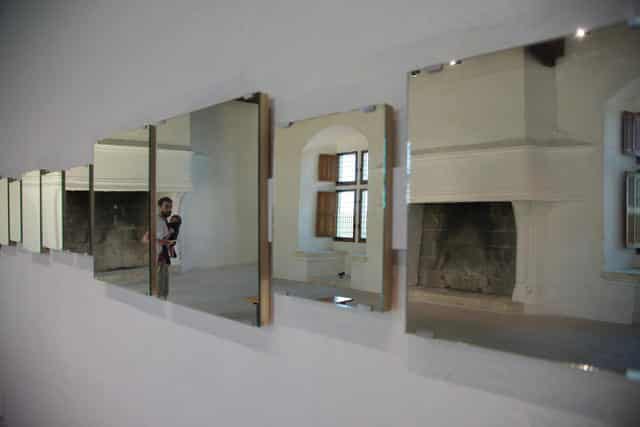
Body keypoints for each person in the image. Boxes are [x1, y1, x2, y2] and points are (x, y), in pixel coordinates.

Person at [156, 197, 173, 299]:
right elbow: (159, 240)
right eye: (166, 207)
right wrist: (170, 235)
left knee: (164, 283)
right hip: (160, 256)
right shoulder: (159, 221)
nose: (169, 210)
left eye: (170, 207)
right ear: (159, 207)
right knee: (160, 284)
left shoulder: (163, 220)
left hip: (163, 255)